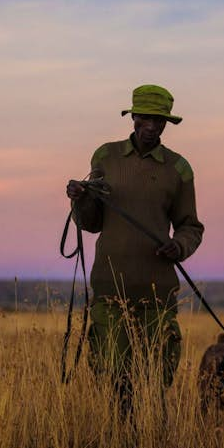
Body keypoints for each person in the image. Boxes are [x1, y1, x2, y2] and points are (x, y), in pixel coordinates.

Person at [66, 84, 204, 417]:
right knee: (113, 376)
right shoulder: (105, 157)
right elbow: (91, 223)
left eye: (160, 121)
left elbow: (191, 226)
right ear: (133, 117)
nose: (152, 126)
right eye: (146, 118)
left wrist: (180, 246)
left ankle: (151, 437)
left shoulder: (179, 168)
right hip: (109, 288)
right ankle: (119, 438)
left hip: (157, 292)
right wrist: (80, 198)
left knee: (156, 377)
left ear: (166, 124)